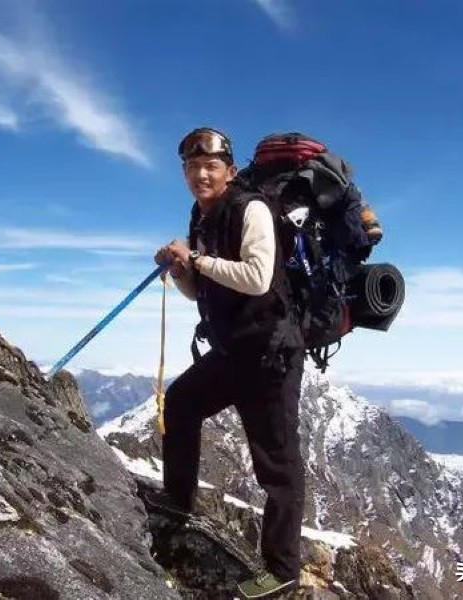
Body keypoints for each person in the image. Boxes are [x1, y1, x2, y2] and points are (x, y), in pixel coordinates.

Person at [151, 127, 306, 598]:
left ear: (230, 171)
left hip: (270, 356)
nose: (201, 174)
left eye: (210, 166)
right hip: (233, 351)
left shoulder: (250, 208)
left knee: (277, 468)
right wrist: (182, 271)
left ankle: (283, 573)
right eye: (192, 167)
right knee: (179, 404)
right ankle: (178, 502)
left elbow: (258, 278)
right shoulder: (201, 215)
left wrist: (195, 259)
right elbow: (204, 290)